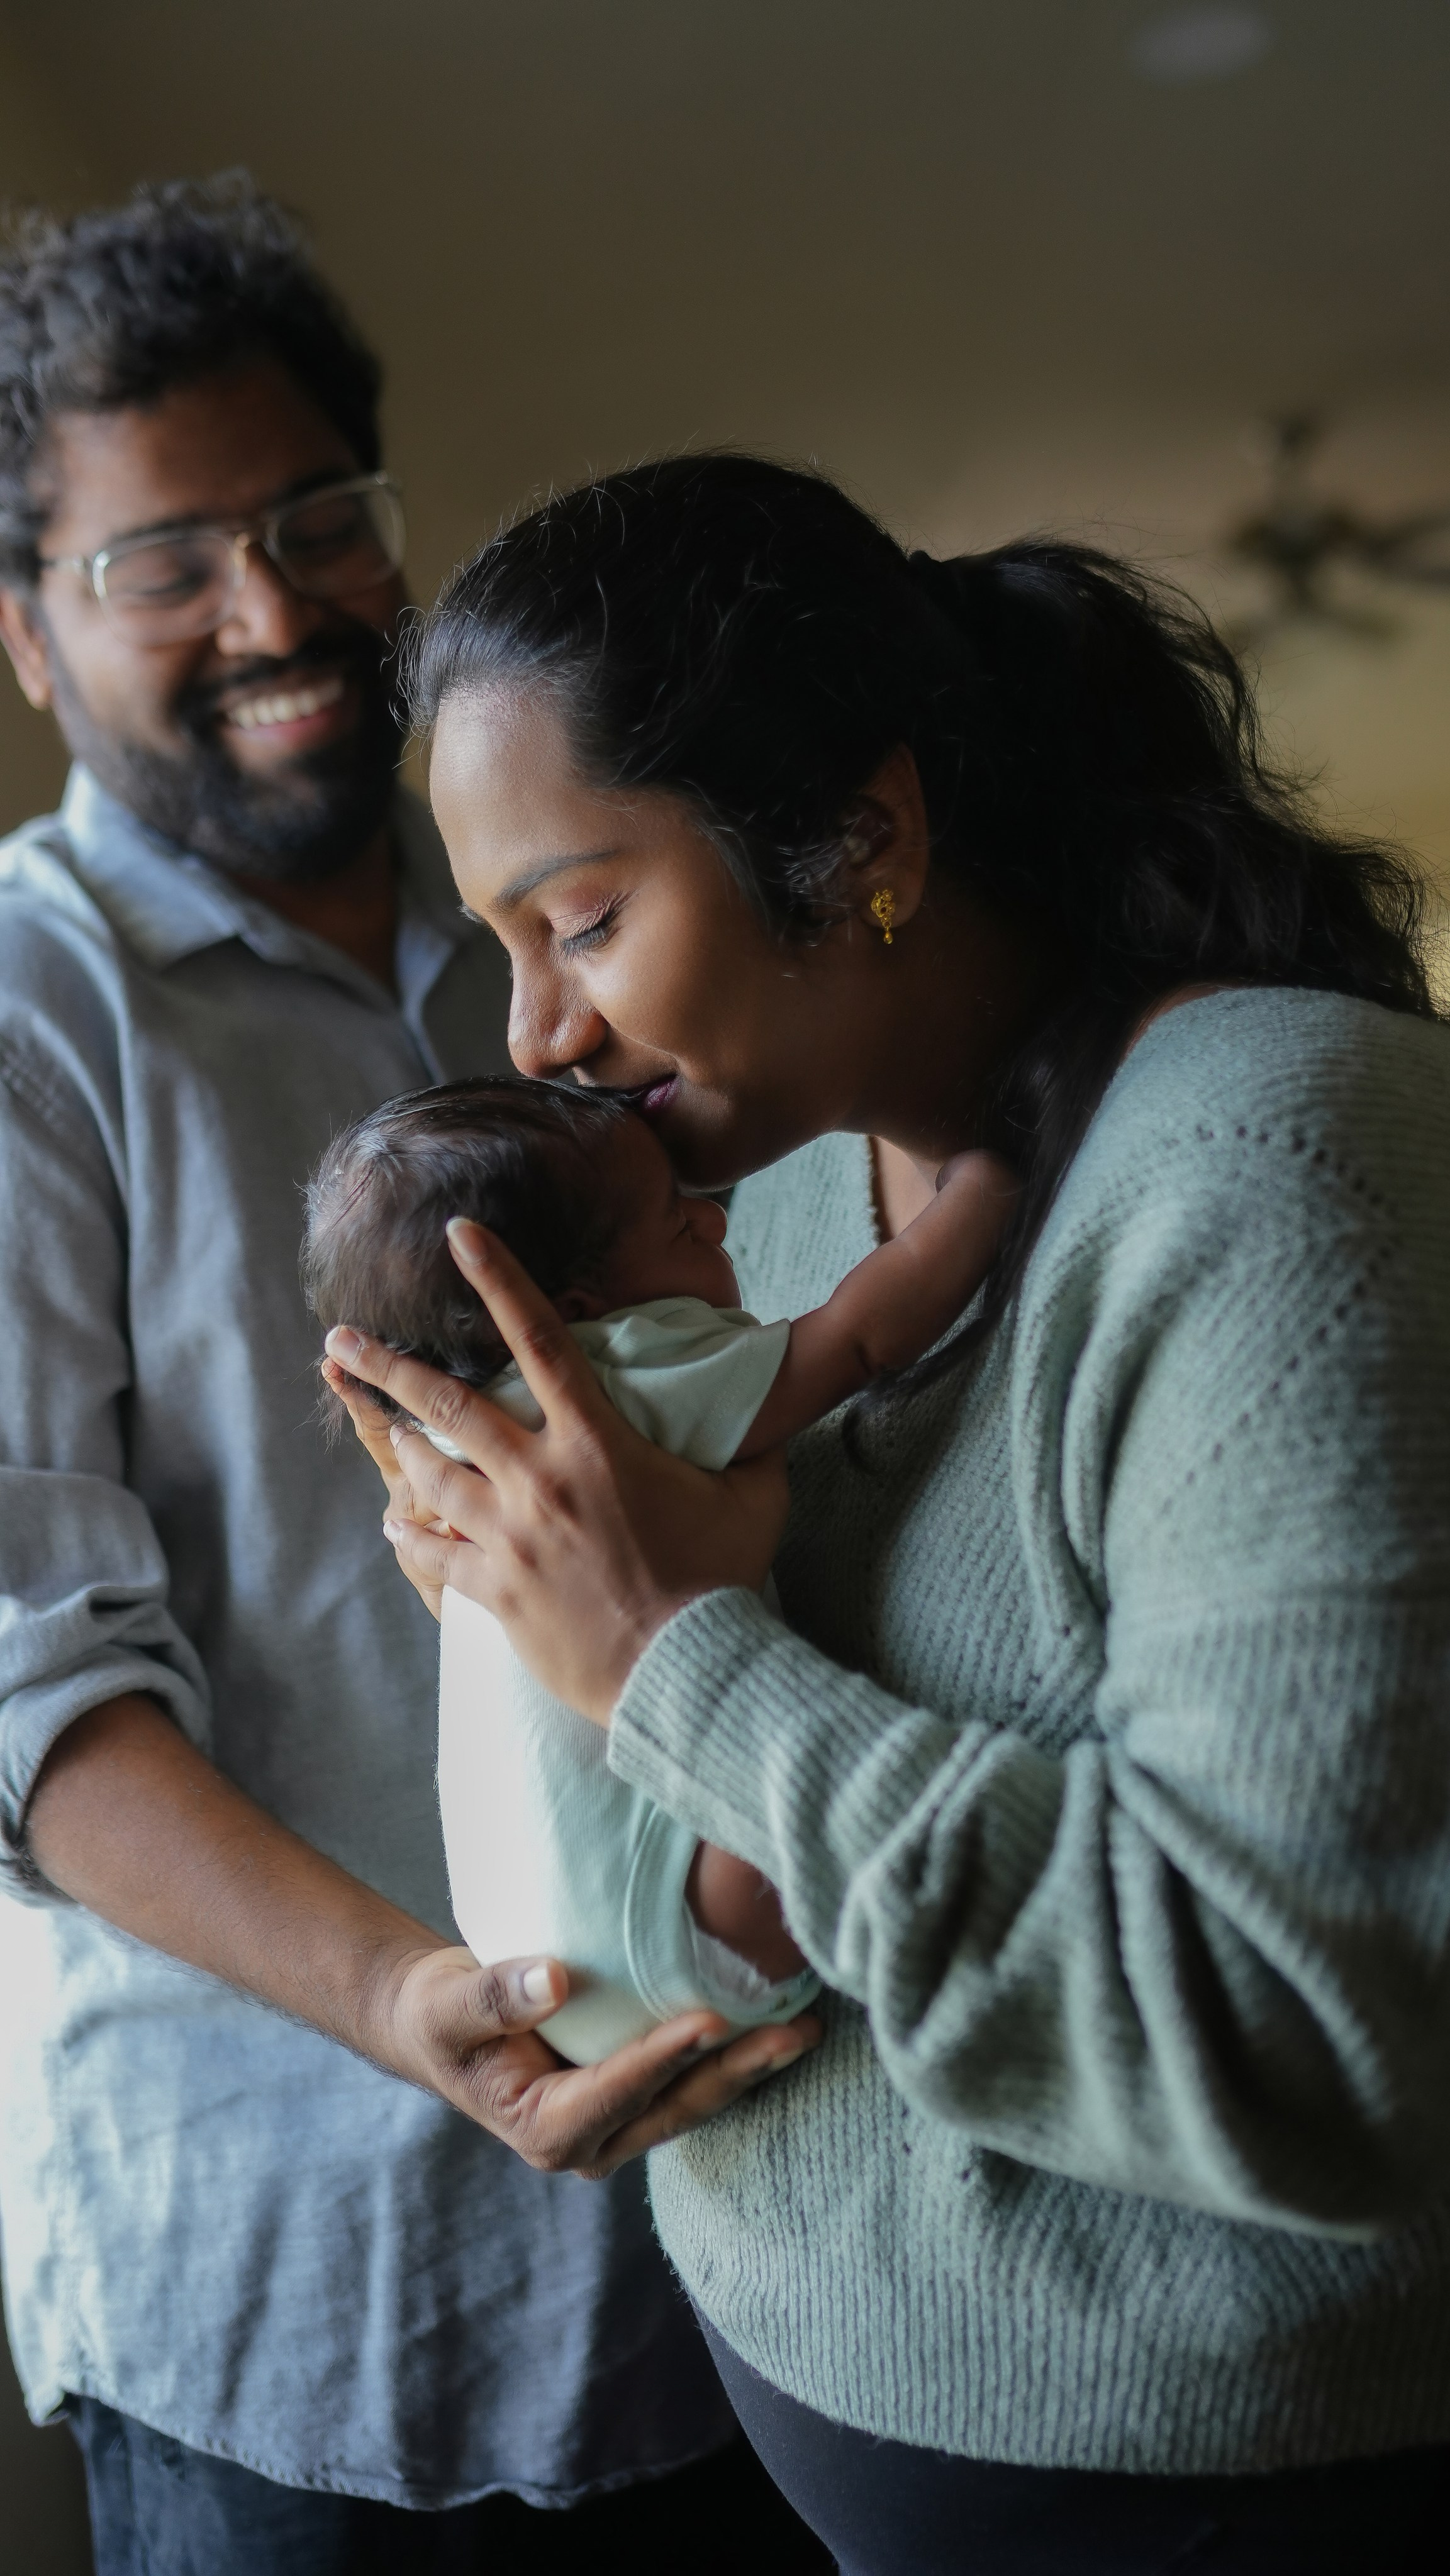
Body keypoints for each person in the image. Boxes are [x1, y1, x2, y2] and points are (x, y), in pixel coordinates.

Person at [327, 453, 1450, 2575]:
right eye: (500, 944)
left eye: (577, 918)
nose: (536, 1032)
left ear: (866, 841)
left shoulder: (1271, 1170)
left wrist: (666, 1660)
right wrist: (529, 1642)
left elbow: (1299, 2030)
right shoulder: (749, 1190)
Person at [0, 197, 824, 2576]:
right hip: (303, 2313)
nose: (271, 615)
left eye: (313, 523)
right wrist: (412, 2003)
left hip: (751, 2235)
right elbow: (30, 1690)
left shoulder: (581, 920)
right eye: (161, 564)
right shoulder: (34, 1020)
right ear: (33, 640)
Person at [304, 1072, 1012, 2060]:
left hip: (524, 1961)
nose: (716, 1232)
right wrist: (985, 1181)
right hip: (675, 1908)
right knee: (794, 1844)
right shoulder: (606, 1372)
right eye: (681, 1228)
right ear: (579, 1307)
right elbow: (857, 1337)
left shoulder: (452, 1456)